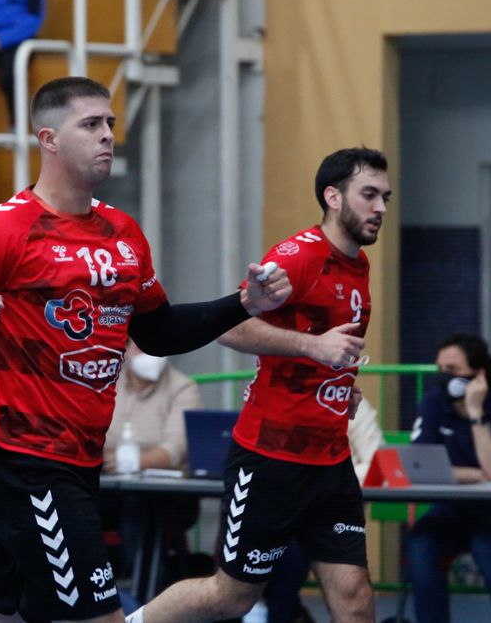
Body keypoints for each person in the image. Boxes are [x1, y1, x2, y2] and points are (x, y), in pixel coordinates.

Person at [0, 76, 291, 623]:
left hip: (79, 459)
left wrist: (244, 302)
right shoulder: (0, 230)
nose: (107, 135)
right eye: (91, 125)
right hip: (26, 460)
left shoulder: (124, 233)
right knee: (99, 618)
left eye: (110, 124)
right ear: (49, 139)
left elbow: (158, 332)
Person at [128, 147, 391, 623]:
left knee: (355, 597)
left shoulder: (358, 266)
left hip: (330, 461)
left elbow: (328, 348)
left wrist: (337, 387)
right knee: (231, 596)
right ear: (333, 197)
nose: (381, 208)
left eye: (385, 197)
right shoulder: (298, 256)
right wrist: (313, 349)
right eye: (369, 195)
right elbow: (230, 326)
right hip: (272, 459)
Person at [406, 334, 491, 623]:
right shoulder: (434, 403)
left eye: (453, 370)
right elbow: (420, 465)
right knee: (420, 542)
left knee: (486, 543)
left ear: (478, 373)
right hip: (454, 507)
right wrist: (475, 475)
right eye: (441, 370)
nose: (445, 377)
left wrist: (476, 414)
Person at [260, 398, 384, 623]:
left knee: (352, 596)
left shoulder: (351, 400)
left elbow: (378, 461)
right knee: (252, 576)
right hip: (280, 509)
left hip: (334, 512)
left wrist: (326, 479)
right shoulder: (273, 396)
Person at [99, 339, 202, 580]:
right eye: (143, 346)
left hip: (166, 496)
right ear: (124, 348)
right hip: (108, 489)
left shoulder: (184, 388)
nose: (153, 352)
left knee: (142, 506)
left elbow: (176, 449)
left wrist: (132, 461)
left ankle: (140, 596)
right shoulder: (106, 382)